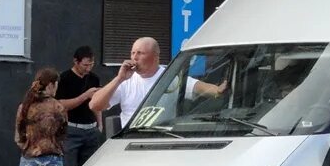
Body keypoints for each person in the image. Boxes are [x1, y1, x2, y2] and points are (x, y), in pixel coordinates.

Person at [89, 37, 227, 128]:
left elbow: (201, 88)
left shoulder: (170, 77)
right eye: (132, 53)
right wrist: (119, 79)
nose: (134, 58)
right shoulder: (125, 81)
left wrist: (219, 89)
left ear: (155, 56)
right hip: (130, 141)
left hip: (162, 138)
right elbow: (95, 105)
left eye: (140, 53)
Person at [56, 45, 102, 166]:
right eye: (85, 65)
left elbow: (97, 103)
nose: (88, 68)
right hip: (72, 129)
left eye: (91, 65)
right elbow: (61, 105)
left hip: (91, 128)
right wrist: (84, 96)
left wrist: (100, 124)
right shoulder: (64, 78)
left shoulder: (94, 78)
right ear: (76, 61)